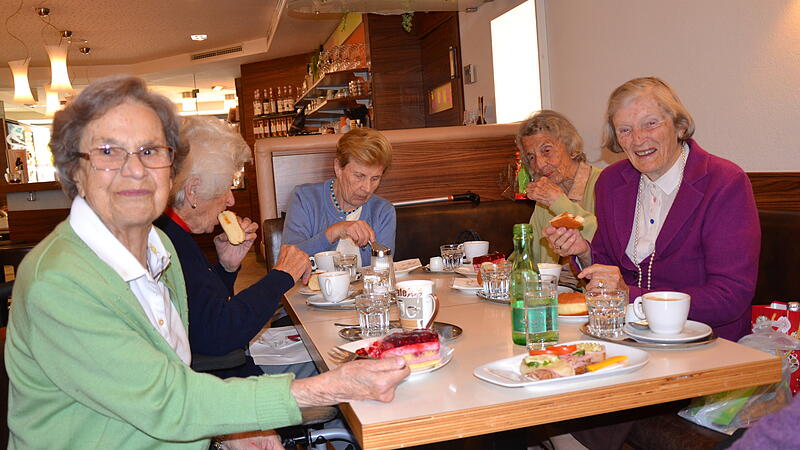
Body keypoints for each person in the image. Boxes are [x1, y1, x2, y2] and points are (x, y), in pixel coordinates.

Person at [4, 75, 409, 449]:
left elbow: (186, 364)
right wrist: (327, 388)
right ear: (74, 169)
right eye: (108, 152)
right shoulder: (60, 280)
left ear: (173, 170)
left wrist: (230, 429)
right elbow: (168, 401)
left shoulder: (156, 244)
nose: (135, 170)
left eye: (151, 151)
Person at [545, 76, 760, 342]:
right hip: (627, 338)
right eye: (625, 130)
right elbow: (612, 269)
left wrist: (631, 298)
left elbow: (730, 297)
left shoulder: (724, 182)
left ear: (679, 126)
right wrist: (584, 252)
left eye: (651, 124)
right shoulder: (612, 182)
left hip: (706, 345)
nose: (638, 140)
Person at [154, 116, 311, 379]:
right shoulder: (169, 243)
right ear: (193, 191)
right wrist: (281, 276)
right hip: (221, 384)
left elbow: (201, 314)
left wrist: (226, 268)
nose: (230, 199)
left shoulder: (172, 231)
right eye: (225, 188)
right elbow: (218, 335)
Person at [281, 127, 395, 266]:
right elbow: (287, 263)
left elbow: (383, 271)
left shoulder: (382, 211)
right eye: (359, 176)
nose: (367, 188)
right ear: (338, 168)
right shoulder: (305, 199)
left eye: (375, 178)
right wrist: (333, 233)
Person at [517, 110, 601, 286]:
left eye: (546, 150)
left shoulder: (604, 183)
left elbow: (604, 240)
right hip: (555, 296)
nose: (539, 164)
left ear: (571, 148)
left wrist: (557, 202)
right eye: (531, 157)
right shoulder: (544, 200)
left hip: (595, 296)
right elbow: (531, 256)